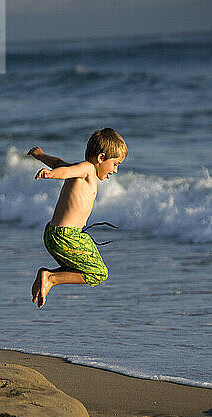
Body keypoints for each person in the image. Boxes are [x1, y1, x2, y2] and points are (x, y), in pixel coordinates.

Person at [28, 128, 128, 307]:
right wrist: (50, 175)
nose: (116, 170)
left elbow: (59, 163)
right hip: (67, 237)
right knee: (99, 273)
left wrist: (41, 156)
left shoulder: (79, 169)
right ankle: (50, 278)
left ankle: (48, 276)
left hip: (54, 235)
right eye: (115, 164)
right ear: (101, 158)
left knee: (79, 269)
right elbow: (62, 172)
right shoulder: (87, 169)